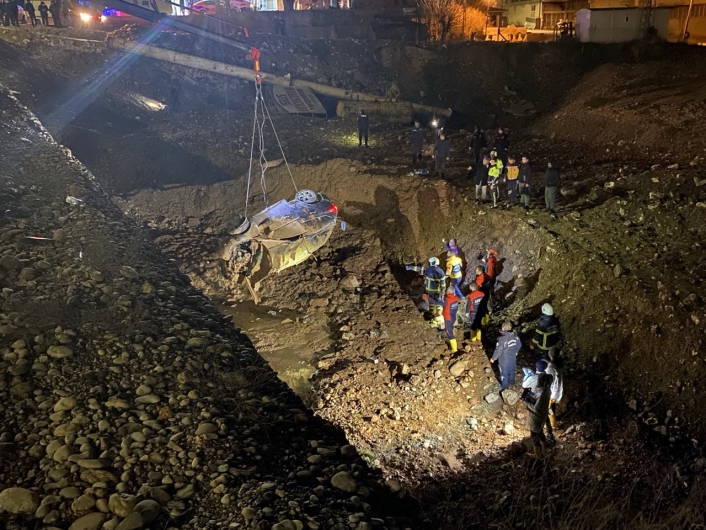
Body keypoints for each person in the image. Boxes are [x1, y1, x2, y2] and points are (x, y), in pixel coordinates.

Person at [406, 257, 446, 329]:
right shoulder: (441, 272)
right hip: (436, 291)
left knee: (431, 304)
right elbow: (443, 284)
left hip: (429, 291)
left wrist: (410, 267)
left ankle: (433, 319)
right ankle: (436, 319)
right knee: (438, 305)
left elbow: (419, 269)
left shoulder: (429, 270)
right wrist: (442, 293)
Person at [522, 368, 553, 458]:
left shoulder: (543, 393)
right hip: (542, 415)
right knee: (540, 432)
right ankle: (545, 450)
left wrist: (527, 402)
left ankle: (538, 454)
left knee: (534, 435)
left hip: (536, 417)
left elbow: (537, 408)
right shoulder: (546, 390)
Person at [535, 358, 563, 443]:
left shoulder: (547, 374)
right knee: (551, 409)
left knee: (549, 411)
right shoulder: (552, 371)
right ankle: (551, 425)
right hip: (553, 394)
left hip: (550, 396)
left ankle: (552, 426)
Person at [490, 321, 521, 390]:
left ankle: (505, 387)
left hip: (504, 360)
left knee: (504, 374)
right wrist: (516, 351)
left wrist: (493, 358)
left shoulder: (502, 339)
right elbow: (519, 345)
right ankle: (512, 382)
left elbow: (498, 350)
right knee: (512, 370)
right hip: (512, 358)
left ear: (503, 329)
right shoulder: (515, 336)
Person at [442, 286, 460, 352]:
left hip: (448, 318)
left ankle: (454, 349)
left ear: (448, 292)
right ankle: (451, 342)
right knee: (450, 329)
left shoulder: (447, 299)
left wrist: (428, 298)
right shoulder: (456, 298)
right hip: (453, 317)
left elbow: (438, 302)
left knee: (450, 333)